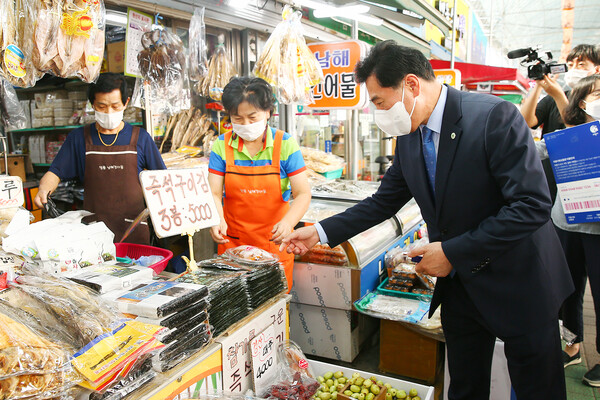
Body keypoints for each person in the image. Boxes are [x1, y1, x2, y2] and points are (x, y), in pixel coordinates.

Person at [281, 40, 573, 399]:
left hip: (519, 278)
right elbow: (382, 203)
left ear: (411, 85)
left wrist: (451, 252)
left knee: (537, 387)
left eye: (379, 101)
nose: (378, 113)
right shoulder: (409, 136)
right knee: (464, 385)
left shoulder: (492, 117)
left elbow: (531, 204)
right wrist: (319, 231)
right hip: (462, 288)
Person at [34, 73, 166, 244]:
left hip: (135, 230)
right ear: (92, 104)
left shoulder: (141, 138)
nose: (109, 112)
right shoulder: (79, 138)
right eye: (102, 106)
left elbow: (163, 180)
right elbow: (55, 172)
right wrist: (44, 190)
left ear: (125, 103)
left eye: (115, 106)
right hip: (94, 232)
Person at [207, 77, 311, 291]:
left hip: (275, 242)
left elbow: (302, 194)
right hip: (233, 243)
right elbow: (214, 193)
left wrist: (288, 223)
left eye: (252, 117)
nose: (245, 125)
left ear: (268, 113)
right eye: (238, 118)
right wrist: (216, 219)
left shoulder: (285, 144)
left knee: (275, 308)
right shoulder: (221, 145)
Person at [536, 74, 600, 386]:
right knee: (567, 288)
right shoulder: (566, 135)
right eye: (593, 94)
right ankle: (571, 344)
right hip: (566, 222)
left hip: (598, 231)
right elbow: (536, 153)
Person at [520, 44, 600, 204]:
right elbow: (527, 122)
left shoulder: (592, 107)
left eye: (581, 64)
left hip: (587, 186)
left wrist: (558, 96)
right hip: (552, 179)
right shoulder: (555, 97)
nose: (574, 69)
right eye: (570, 65)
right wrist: (539, 85)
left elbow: (582, 136)